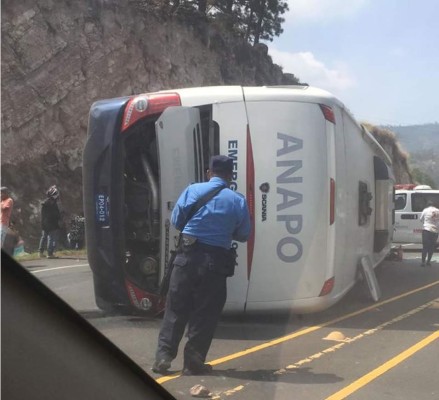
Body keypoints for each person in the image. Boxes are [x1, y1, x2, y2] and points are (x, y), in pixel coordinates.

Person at [152, 155, 251, 376]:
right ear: (230, 176)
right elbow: (244, 234)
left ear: (209, 173)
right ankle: (193, 364)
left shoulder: (192, 190)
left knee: (176, 309)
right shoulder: (237, 200)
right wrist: (224, 230)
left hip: (186, 257)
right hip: (215, 264)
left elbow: (177, 222)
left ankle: (163, 358)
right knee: (205, 314)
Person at [38, 185, 61, 259]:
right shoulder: (52, 203)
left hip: (44, 223)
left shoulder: (45, 202)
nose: (57, 196)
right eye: (56, 194)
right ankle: (50, 253)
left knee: (44, 237)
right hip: (51, 223)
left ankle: (40, 252)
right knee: (51, 238)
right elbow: (55, 214)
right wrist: (59, 218)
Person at [419, 200, 439, 266]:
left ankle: (423, 262)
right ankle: (428, 261)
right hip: (435, 231)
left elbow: (421, 219)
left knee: (425, 246)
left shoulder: (425, 210)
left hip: (427, 229)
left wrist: (426, 223)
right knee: (431, 247)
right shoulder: (438, 211)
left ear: (427, 205)